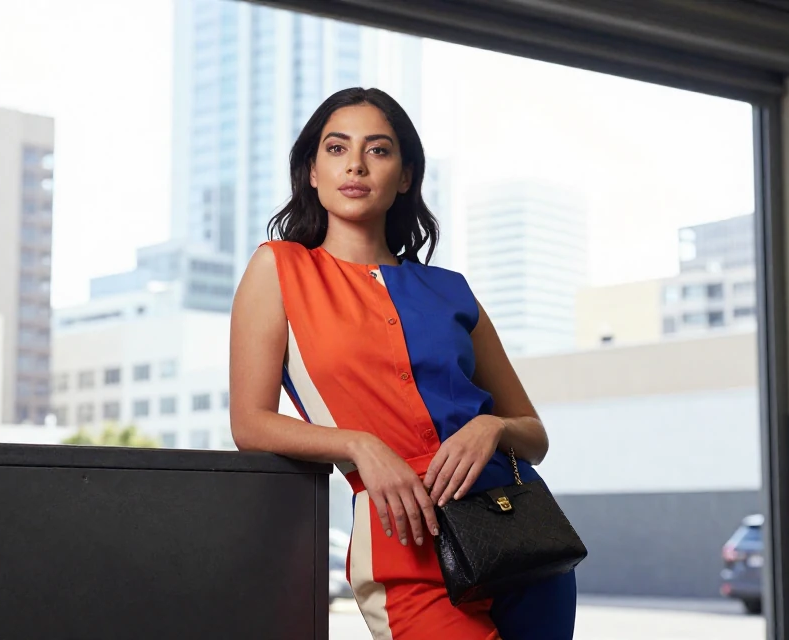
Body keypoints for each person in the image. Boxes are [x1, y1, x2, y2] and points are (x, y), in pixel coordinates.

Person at [229, 87, 577, 640]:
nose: (357, 165)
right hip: (404, 545)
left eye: (380, 150)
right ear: (313, 172)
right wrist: (360, 445)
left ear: (406, 176)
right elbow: (249, 423)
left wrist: (491, 427)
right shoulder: (278, 269)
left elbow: (533, 436)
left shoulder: (451, 290)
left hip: (520, 536)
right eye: (337, 148)